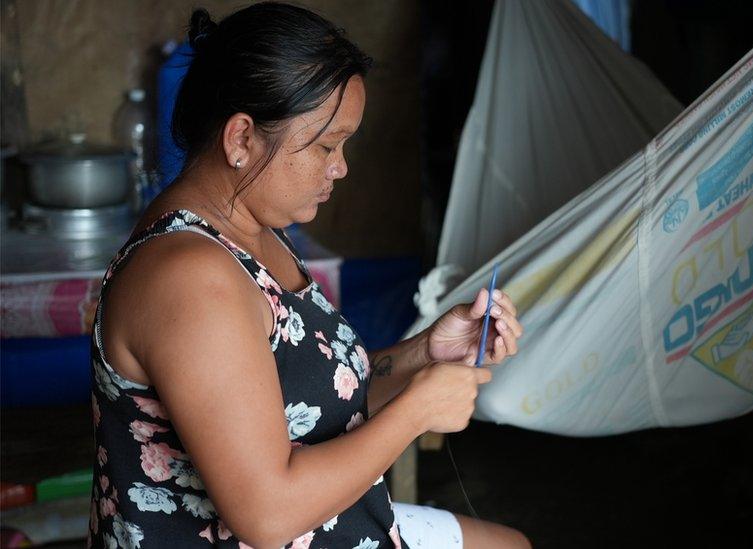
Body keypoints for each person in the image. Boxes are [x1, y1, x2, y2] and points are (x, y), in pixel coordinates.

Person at [87, 3, 529, 548]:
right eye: (325, 145)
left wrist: (425, 354)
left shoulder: (252, 229)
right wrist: (417, 411)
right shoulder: (188, 278)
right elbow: (267, 516)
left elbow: (314, 404)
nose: (340, 167)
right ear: (242, 139)